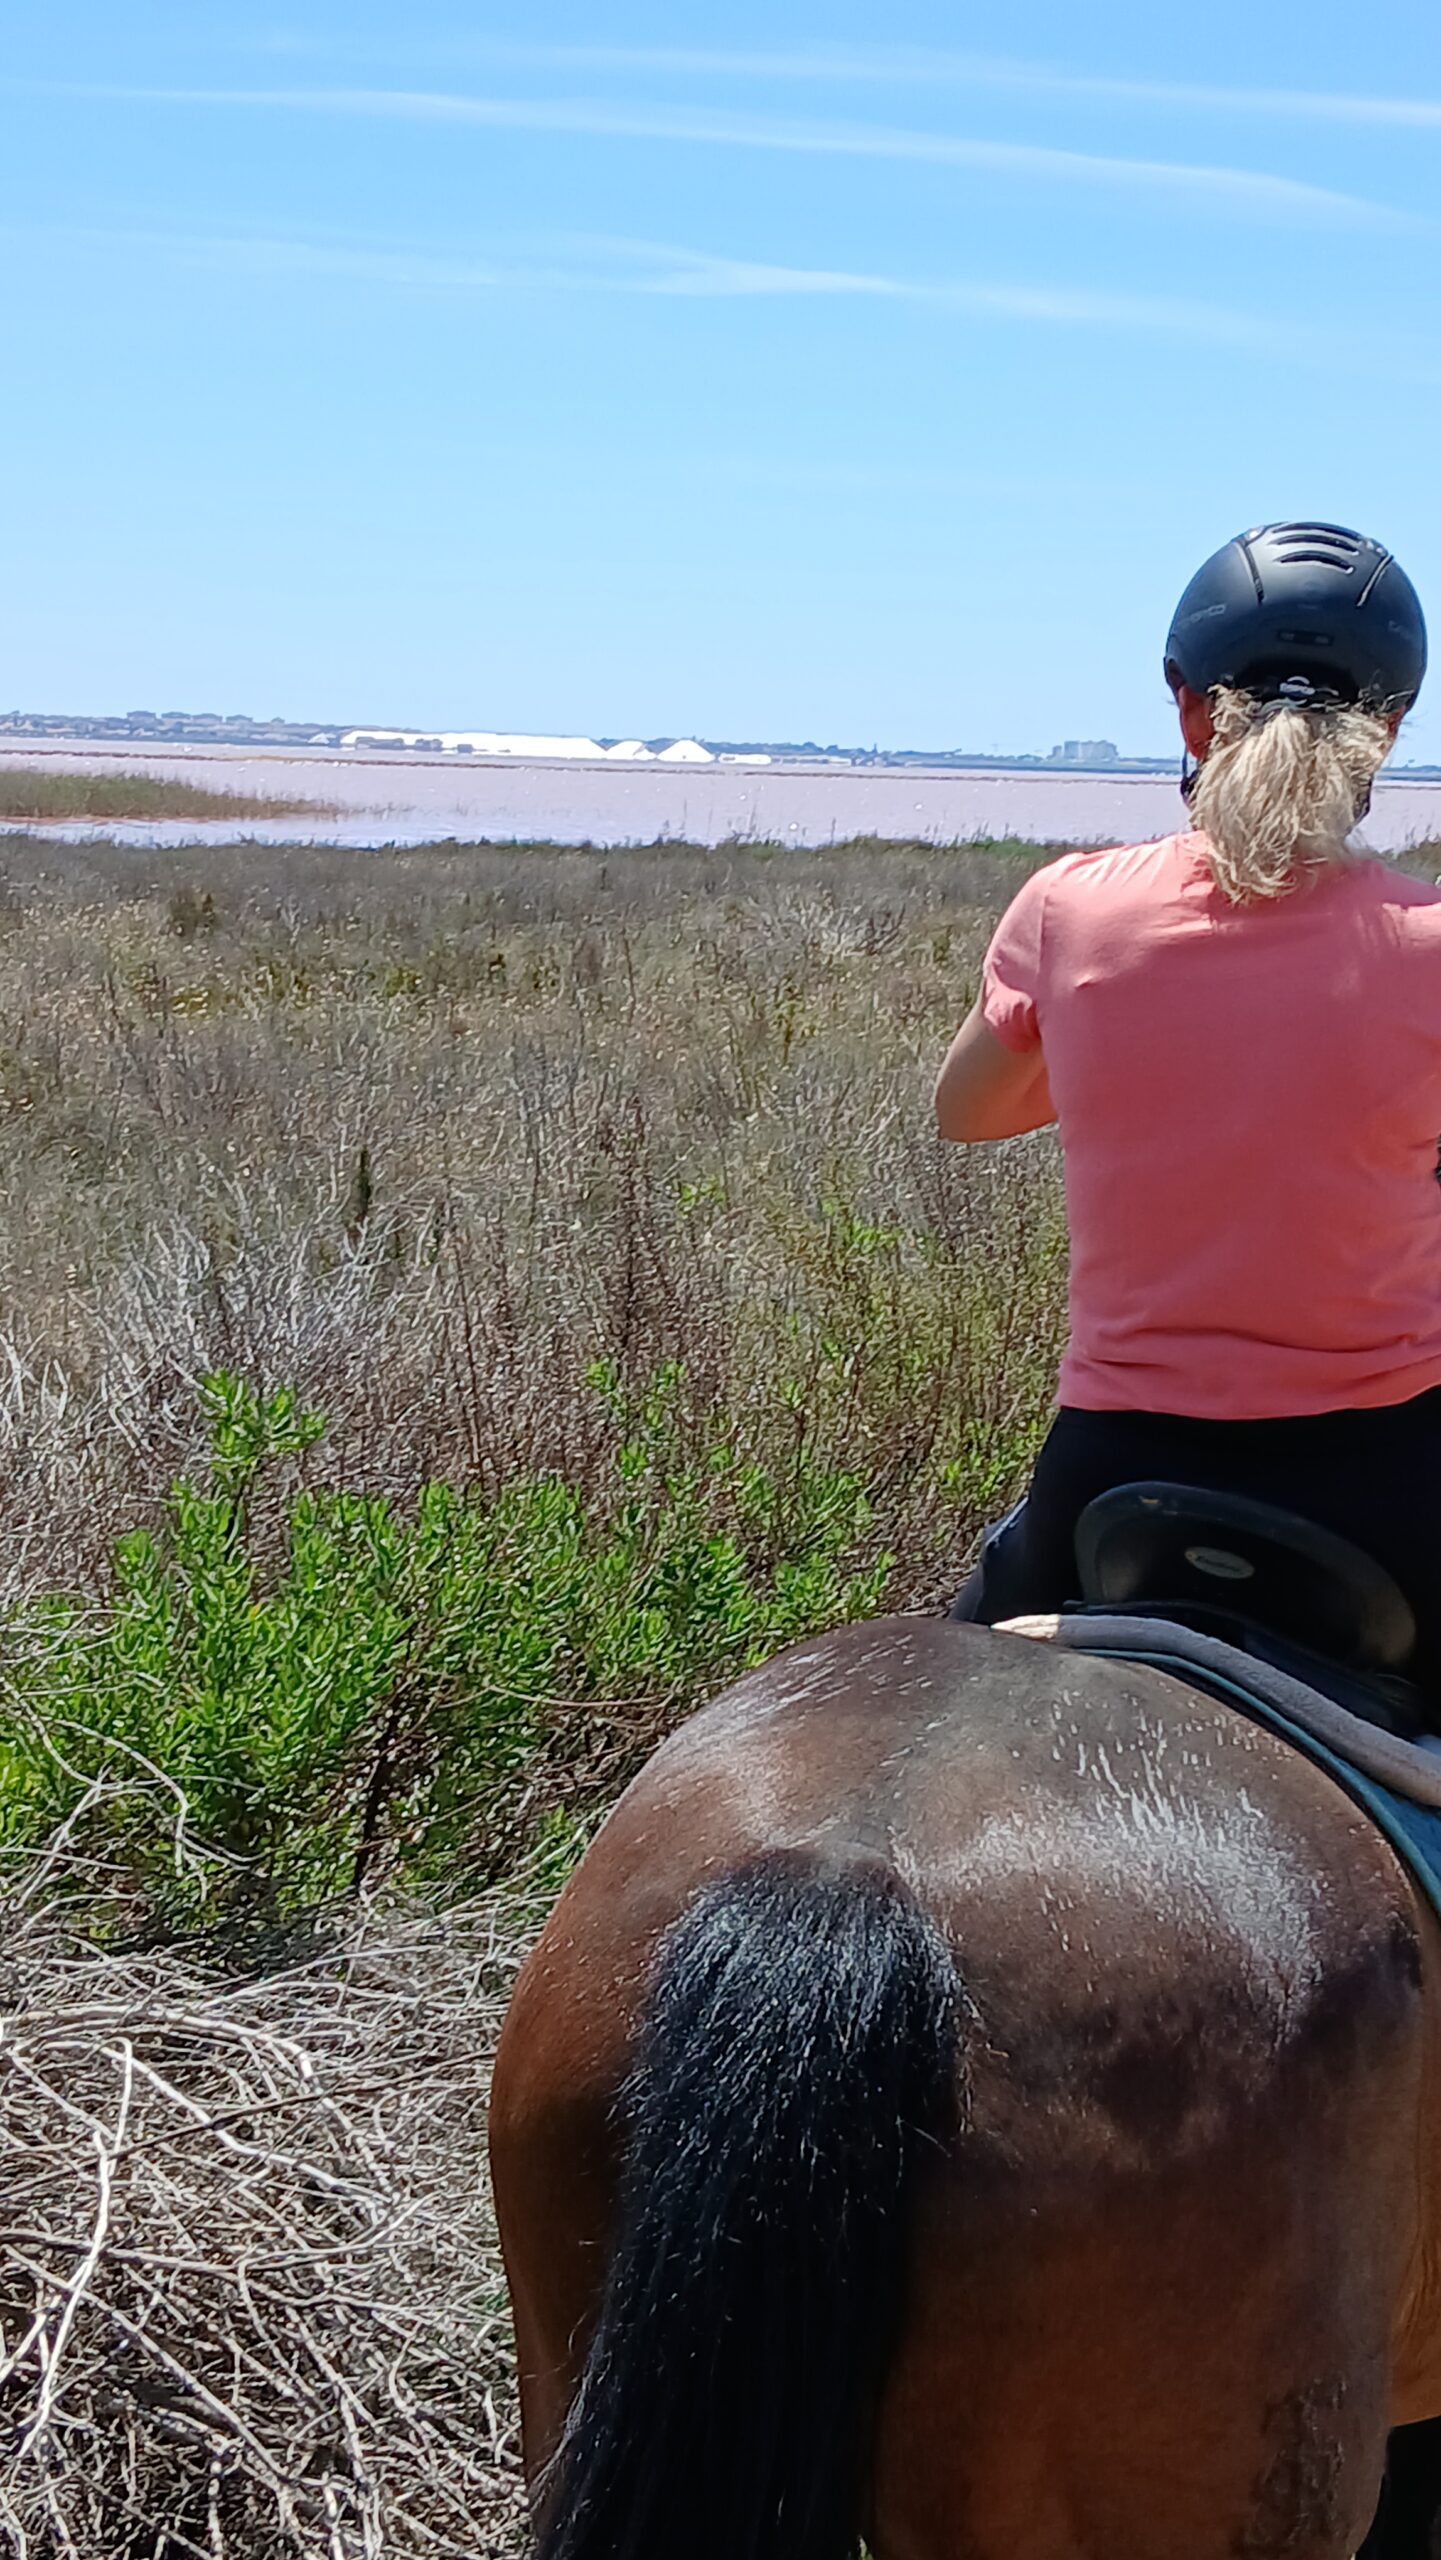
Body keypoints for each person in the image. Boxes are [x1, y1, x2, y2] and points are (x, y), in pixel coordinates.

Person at [936, 520, 1441, 1697]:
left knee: (933, 1711)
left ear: (1187, 713)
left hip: (1110, 1474)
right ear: (1389, 730)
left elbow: (968, 1111)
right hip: (1383, 1478)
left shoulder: (1070, 910)